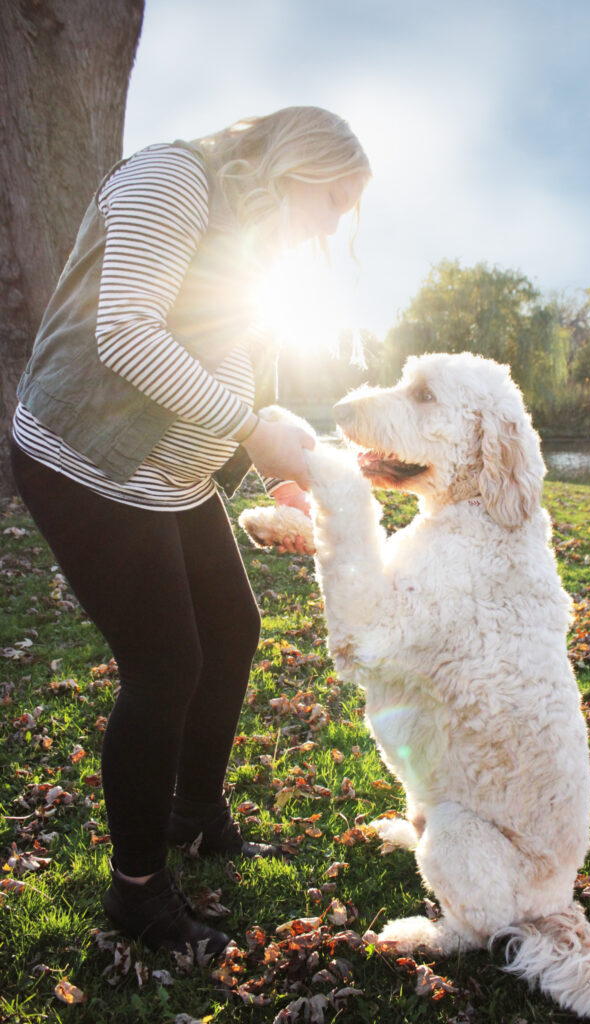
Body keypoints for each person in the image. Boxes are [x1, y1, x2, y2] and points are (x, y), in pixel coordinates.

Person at [11, 106, 370, 956]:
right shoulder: (170, 182)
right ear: (294, 171)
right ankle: (137, 892)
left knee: (233, 631)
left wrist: (273, 460)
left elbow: (243, 343)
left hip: (174, 478)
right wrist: (249, 427)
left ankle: (195, 813)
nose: (333, 227)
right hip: (87, 464)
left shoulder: (254, 235)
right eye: (334, 203)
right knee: (166, 662)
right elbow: (127, 331)